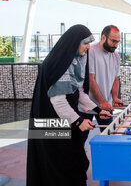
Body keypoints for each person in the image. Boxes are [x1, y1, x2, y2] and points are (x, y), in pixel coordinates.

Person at [26, 24, 111, 186]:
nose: (88, 47)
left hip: (65, 121)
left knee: (75, 162)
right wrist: (79, 122)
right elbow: (58, 101)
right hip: (52, 124)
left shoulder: (75, 61)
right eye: (85, 43)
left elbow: (78, 94)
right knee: (58, 166)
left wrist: (98, 111)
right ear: (74, 42)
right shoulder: (59, 63)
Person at [79, 25, 123, 144]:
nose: (116, 45)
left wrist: (114, 98)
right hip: (87, 104)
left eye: (118, 42)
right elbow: (91, 79)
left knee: (109, 137)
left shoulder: (116, 56)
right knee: (80, 139)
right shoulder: (91, 52)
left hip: (106, 104)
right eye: (113, 41)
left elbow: (116, 79)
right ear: (103, 37)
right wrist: (102, 102)